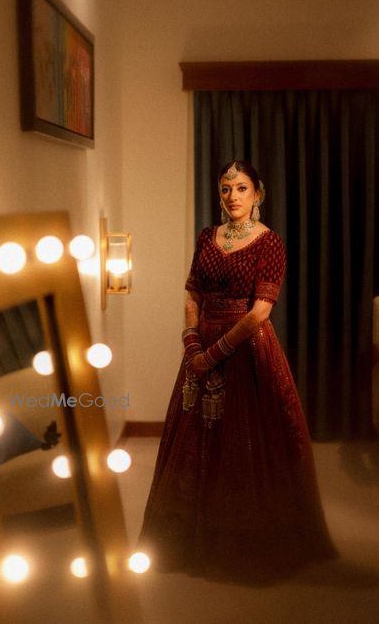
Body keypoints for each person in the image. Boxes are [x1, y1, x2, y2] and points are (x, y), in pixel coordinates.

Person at [137, 161, 338, 583]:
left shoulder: (270, 242)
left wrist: (213, 355)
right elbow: (191, 294)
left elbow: (260, 312)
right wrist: (193, 345)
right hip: (200, 344)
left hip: (247, 348)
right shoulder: (206, 237)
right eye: (226, 188)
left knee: (245, 441)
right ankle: (187, 542)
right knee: (194, 439)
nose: (232, 196)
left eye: (241, 188)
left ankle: (238, 546)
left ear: (257, 194)